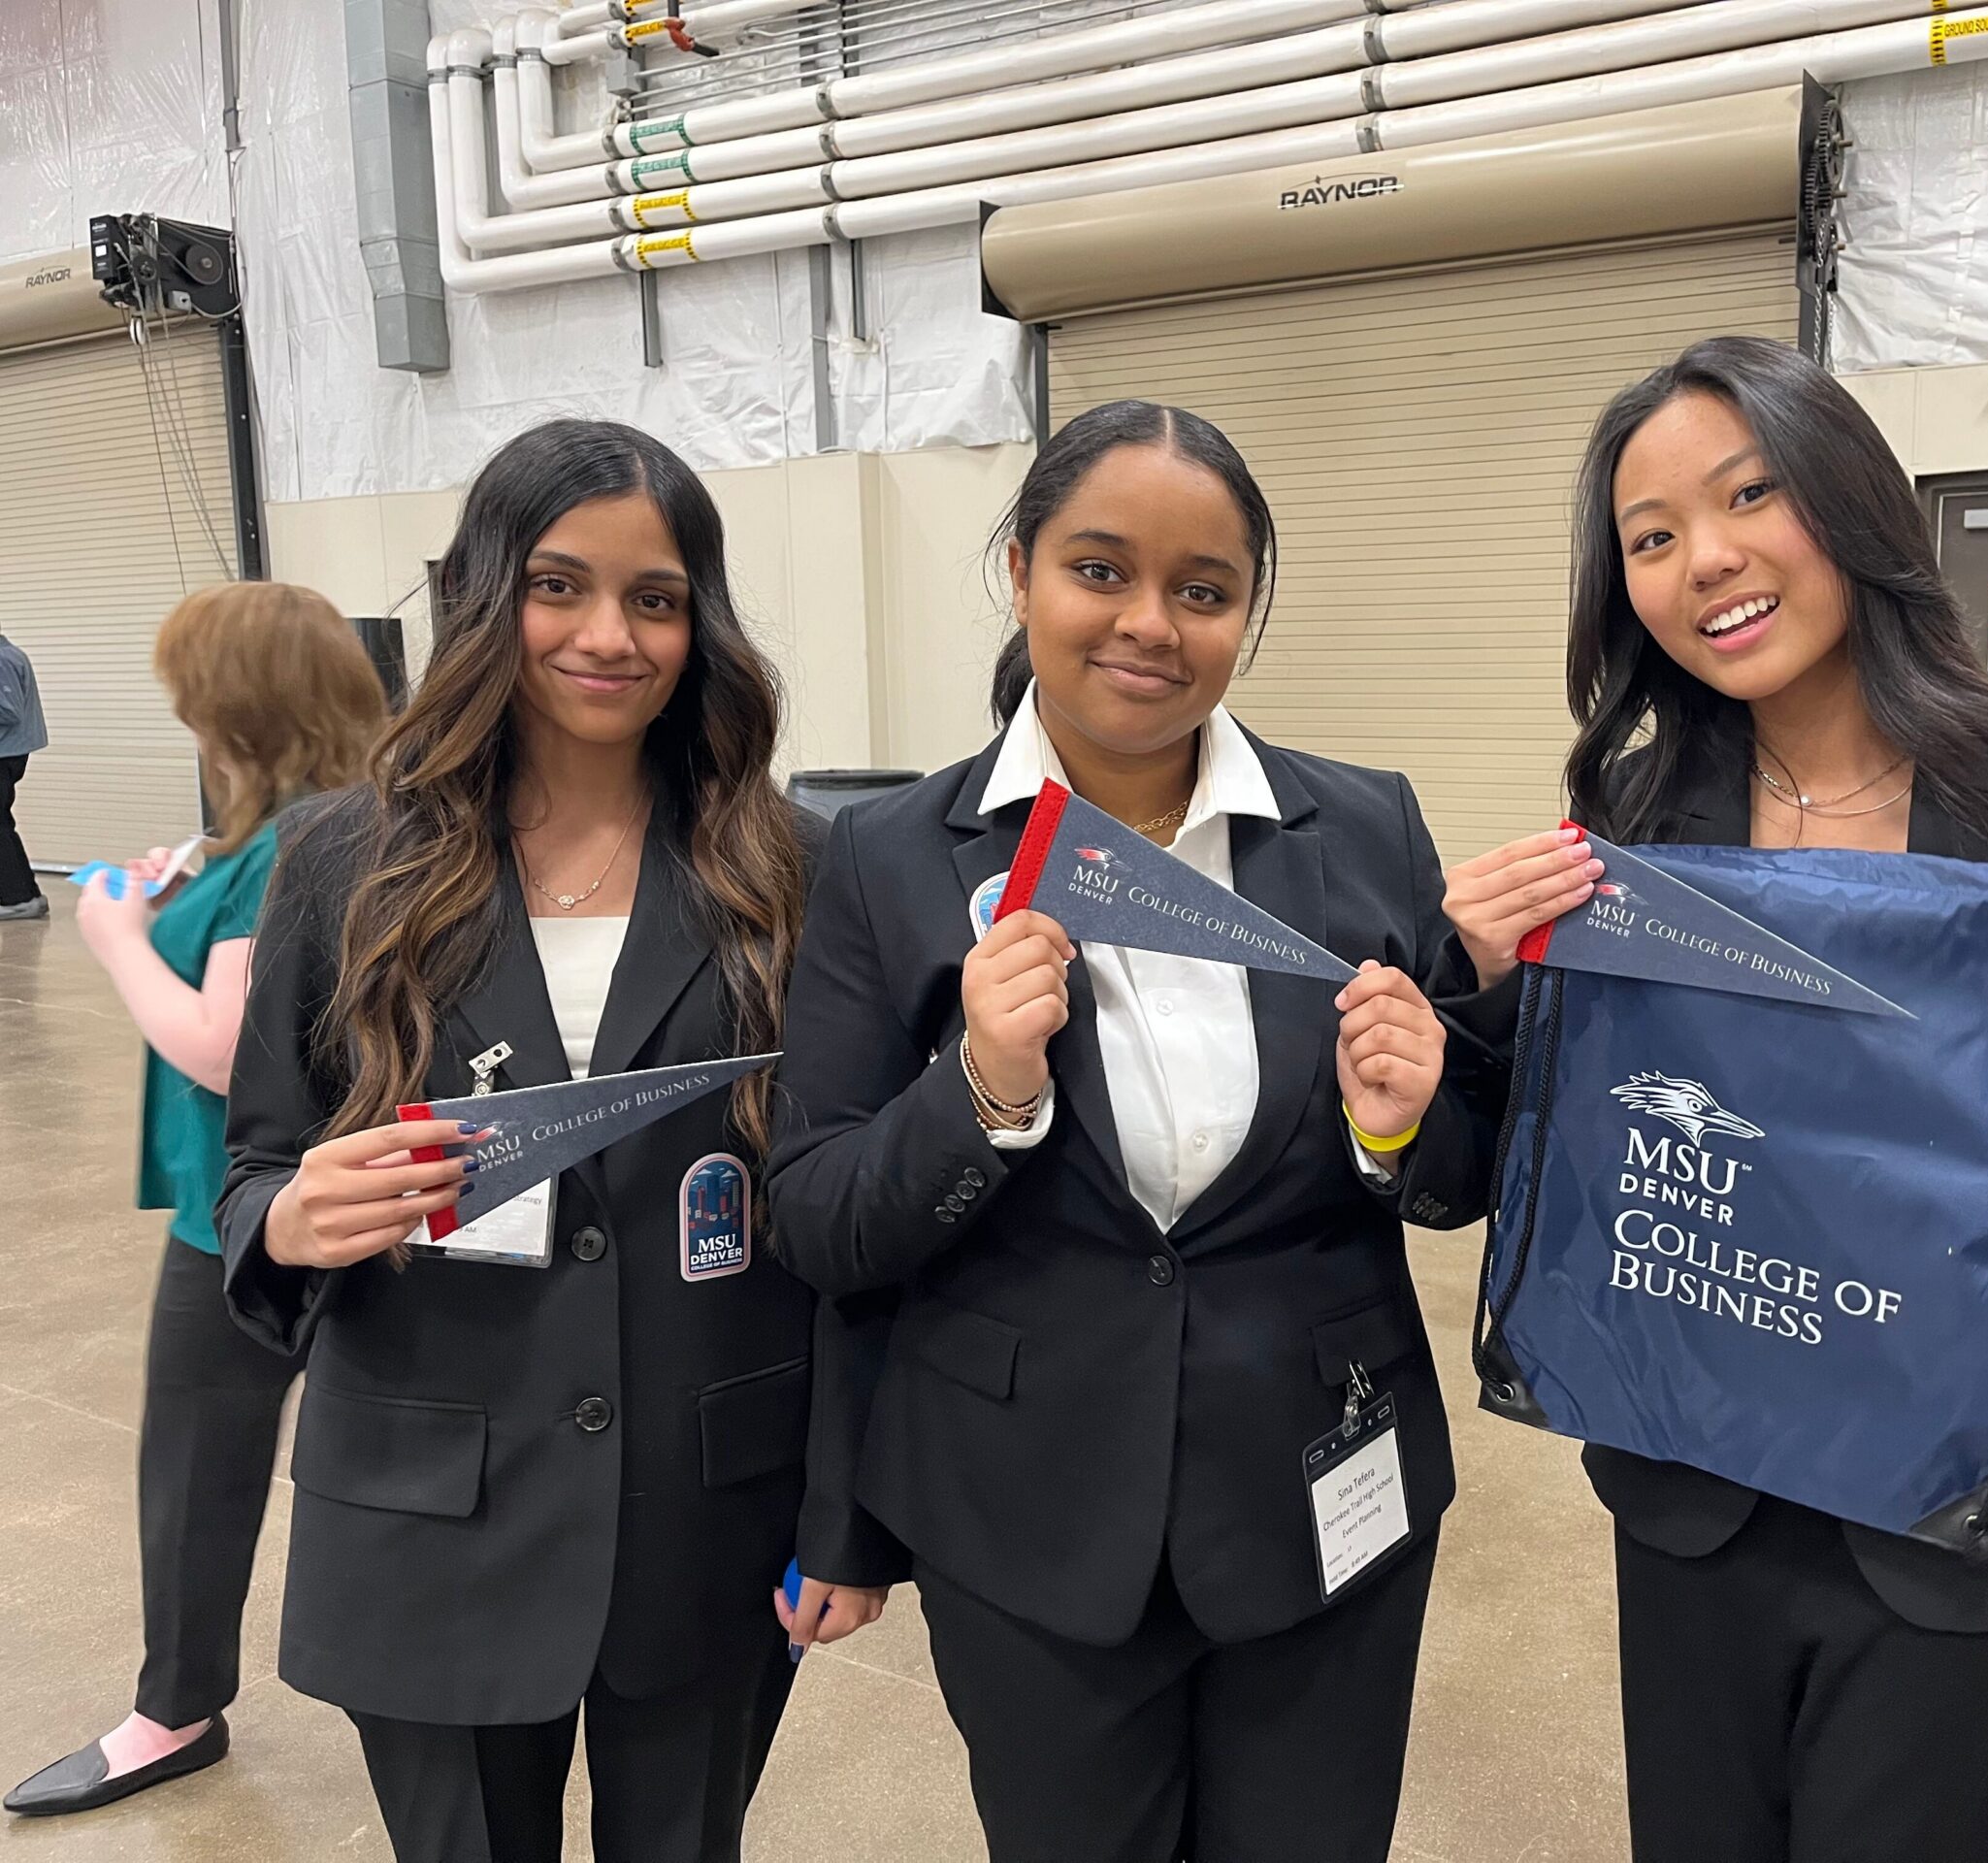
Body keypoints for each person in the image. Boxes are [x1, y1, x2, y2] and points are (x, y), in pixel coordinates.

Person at [1440, 337, 1988, 1863]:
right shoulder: (1639, 819)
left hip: (1955, 1479)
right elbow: (1563, 1125)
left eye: (1749, 496)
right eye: (1650, 538)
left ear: (1845, 501)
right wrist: (1486, 983)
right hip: (1703, 1466)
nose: (1705, 560)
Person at [766, 400, 1500, 1863]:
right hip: (1022, 1520)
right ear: (1025, 569)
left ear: (1245, 615)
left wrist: (1403, 1122)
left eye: (1203, 590)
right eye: (1100, 570)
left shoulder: (1360, 830)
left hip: (1320, 1500)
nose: (1149, 624)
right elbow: (820, 1213)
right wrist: (980, 1091)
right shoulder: (896, 860)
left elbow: (1462, 1173)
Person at [212, 420, 900, 1863]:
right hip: (429, 1510)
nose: (609, 636)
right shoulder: (346, 862)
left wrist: (846, 1515)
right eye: (557, 585)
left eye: (655, 598)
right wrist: (291, 1217)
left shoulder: (793, 872)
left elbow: (847, 1226)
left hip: (710, 1507)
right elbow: (255, 1173)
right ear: (482, 600)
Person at [4, 584, 386, 1817]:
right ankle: (178, 1703)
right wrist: (181, 893)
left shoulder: (295, 845)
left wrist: (113, 934)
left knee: (198, 1467)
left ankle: (172, 1713)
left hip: (249, 1213)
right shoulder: (307, 831)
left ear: (240, 709)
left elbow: (229, 1050)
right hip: (275, 1200)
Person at [0, 625, 48, 920]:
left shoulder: (3, 659)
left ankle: (19, 898)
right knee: (2, 823)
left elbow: (8, 711)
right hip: (9, 753)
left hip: (5, 754)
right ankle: (27, 895)